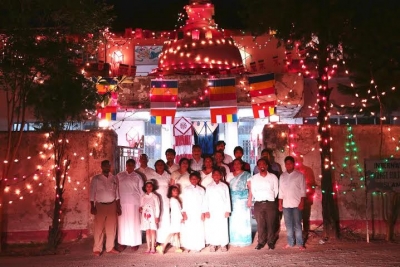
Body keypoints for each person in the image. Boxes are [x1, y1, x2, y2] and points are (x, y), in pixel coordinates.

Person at [89, 160, 121, 256]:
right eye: (104, 166)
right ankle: (97, 249)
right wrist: (92, 206)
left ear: (110, 167)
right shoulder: (96, 179)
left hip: (112, 205)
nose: (106, 167)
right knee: (99, 228)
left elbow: (117, 194)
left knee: (112, 228)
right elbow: (92, 193)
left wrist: (118, 207)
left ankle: (110, 247)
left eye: (108, 166)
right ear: (101, 167)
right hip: (100, 206)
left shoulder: (114, 178)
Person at [247, 158, 279, 250]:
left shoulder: (273, 177)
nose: (262, 166)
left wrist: (270, 199)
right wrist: (250, 199)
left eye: (263, 164)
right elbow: (250, 188)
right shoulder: (254, 178)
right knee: (260, 224)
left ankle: (271, 242)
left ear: (266, 166)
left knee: (271, 224)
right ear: (257, 167)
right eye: (259, 164)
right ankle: (261, 242)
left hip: (270, 203)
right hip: (258, 204)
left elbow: (276, 190)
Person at [279, 156, 307, 250]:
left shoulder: (299, 175)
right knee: (288, 225)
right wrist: (280, 203)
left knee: (298, 225)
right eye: (286, 163)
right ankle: (290, 243)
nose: (288, 165)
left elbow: (303, 190)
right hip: (286, 205)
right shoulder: (282, 176)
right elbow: (281, 191)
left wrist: (302, 202)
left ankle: (300, 243)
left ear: (293, 164)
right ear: (285, 164)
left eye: (290, 163)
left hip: (296, 204)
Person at [116, 159, 143, 252]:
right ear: (126, 165)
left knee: (134, 223)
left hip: (135, 203)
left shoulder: (138, 176)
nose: (130, 166)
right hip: (122, 202)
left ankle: (134, 243)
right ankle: (122, 242)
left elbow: (142, 191)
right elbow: (115, 189)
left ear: (135, 166)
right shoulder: (119, 175)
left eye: (132, 164)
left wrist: (141, 204)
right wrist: (116, 202)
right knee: (122, 223)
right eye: (128, 164)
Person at [204, 168, 231, 252]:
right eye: (214, 174)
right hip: (212, 210)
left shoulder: (224, 186)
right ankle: (213, 244)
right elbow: (206, 199)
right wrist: (206, 211)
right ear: (212, 176)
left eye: (218, 174)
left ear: (221, 176)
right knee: (212, 227)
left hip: (222, 210)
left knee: (222, 227)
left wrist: (228, 210)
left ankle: (223, 244)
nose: (216, 176)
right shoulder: (208, 186)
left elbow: (227, 199)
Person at [228, 159, 252, 247]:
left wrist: (249, 199)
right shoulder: (230, 175)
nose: (237, 165)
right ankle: (234, 240)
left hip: (243, 200)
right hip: (232, 200)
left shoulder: (247, 175)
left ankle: (244, 240)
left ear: (242, 164)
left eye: (238, 164)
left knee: (243, 219)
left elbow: (250, 188)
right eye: (235, 164)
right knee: (234, 220)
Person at [181, 171, 206, 253]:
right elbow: (184, 201)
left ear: (198, 179)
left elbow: (203, 202)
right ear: (189, 179)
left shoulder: (201, 190)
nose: (194, 180)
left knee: (198, 228)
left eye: (195, 179)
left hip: (198, 211)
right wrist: (184, 212)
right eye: (192, 179)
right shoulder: (186, 189)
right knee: (189, 228)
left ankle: (198, 246)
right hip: (189, 211)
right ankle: (188, 246)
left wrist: (203, 212)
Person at [156, 185, 183, 254]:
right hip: (176, 218)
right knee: (172, 232)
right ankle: (162, 246)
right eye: (174, 190)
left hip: (175, 217)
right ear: (170, 192)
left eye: (176, 190)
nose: (176, 191)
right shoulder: (174, 200)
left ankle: (177, 247)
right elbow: (177, 210)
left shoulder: (174, 199)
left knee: (176, 232)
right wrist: (181, 217)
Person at [153, 159, 172, 245]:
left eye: (161, 164)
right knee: (157, 218)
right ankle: (156, 239)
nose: (160, 166)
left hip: (165, 199)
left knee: (165, 218)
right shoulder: (152, 175)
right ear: (155, 166)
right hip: (155, 200)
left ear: (164, 166)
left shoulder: (168, 175)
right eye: (158, 165)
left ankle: (165, 239)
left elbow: (171, 188)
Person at [140, 180, 160, 254]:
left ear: (153, 187)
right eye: (147, 186)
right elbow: (141, 205)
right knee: (147, 231)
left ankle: (152, 247)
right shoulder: (143, 197)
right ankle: (148, 247)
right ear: (145, 187)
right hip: (145, 216)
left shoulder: (155, 197)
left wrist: (157, 216)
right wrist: (141, 208)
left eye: (150, 186)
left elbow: (157, 207)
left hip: (152, 216)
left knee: (152, 231)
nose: (149, 188)